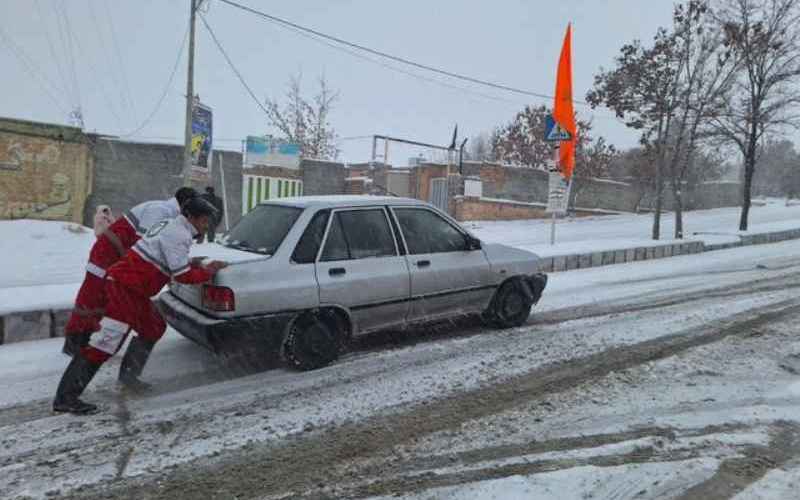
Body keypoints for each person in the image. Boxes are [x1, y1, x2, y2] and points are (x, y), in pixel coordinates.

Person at [53, 197, 228, 415]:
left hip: (135, 289)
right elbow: (182, 275)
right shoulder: (179, 234)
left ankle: (128, 379)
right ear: (191, 217)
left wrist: (195, 263)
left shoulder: (173, 225)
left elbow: (165, 258)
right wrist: (208, 271)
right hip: (125, 288)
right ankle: (66, 398)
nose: (207, 226)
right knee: (106, 343)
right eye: (204, 221)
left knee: (153, 327)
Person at [62, 188, 197, 357]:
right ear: (186, 204)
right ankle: (75, 343)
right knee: (91, 298)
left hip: (118, 260)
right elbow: (145, 244)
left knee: (104, 300)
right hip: (106, 256)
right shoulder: (161, 211)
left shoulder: (170, 214)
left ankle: (89, 343)